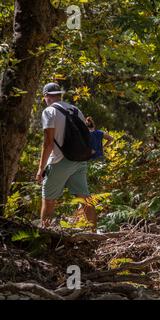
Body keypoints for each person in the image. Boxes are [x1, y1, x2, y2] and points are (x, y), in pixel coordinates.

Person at [36, 83, 96, 229]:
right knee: (85, 199)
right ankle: (94, 233)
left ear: (46, 96)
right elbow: (87, 134)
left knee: (49, 201)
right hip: (80, 160)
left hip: (59, 161)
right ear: (60, 95)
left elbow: (48, 143)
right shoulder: (75, 109)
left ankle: (43, 237)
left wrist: (40, 169)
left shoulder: (49, 111)